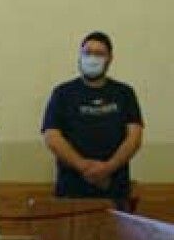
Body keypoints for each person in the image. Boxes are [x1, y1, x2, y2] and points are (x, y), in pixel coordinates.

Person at [42, 31, 144, 210]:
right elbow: (52, 136)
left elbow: (134, 137)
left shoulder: (124, 93)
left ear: (110, 58)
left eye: (99, 54)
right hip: (71, 191)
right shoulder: (63, 93)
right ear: (79, 57)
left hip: (115, 191)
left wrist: (108, 168)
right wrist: (84, 167)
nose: (92, 58)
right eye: (87, 53)